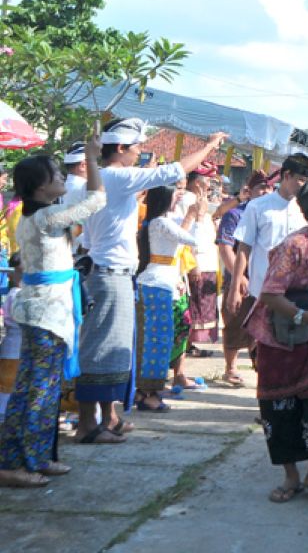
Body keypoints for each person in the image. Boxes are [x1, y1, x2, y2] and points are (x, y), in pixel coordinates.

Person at [75, 118, 226, 444]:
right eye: (137, 148)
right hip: (110, 274)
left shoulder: (106, 179)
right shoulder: (115, 176)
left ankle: (109, 417)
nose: (140, 153)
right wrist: (211, 145)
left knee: (114, 351)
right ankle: (88, 424)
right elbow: (173, 171)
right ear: (119, 149)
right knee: (100, 351)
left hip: (113, 273)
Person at [0, 132, 106, 487]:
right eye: (56, 174)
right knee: (40, 391)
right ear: (39, 187)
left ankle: (31, 458)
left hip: (40, 310)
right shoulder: (47, 218)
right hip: (47, 314)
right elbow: (96, 200)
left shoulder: (36, 217)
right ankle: (24, 462)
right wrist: (92, 158)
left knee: (32, 388)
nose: (62, 177)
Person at [245, 173, 308, 504]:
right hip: (277, 341)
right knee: (279, 410)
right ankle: (291, 478)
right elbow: (271, 294)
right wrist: (305, 316)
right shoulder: (295, 246)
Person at [229, 154, 308, 363]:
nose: (303, 185)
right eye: (301, 179)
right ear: (287, 175)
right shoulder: (258, 206)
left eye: (307, 181)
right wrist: (234, 287)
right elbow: (244, 247)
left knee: (292, 350)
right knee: (262, 348)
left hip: (296, 293)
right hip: (262, 291)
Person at [133, 184, 203, 412]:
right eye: (175, 195)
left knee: (160, 340)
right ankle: (147, 392)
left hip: (162, 283)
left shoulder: (158, 223)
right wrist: (195, 216)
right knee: (156, 341)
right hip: (157, 284)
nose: (178, 198)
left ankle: (149, 390)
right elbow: (192, 240)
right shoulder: (160, 223)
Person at [215, 170, 269, 386]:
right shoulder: (234, 214)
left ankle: (261, 370)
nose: (265, 192)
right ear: (250, 190)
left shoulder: (270, 213)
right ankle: (231, 368)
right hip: (240, 279)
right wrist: (239, 280)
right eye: (261, 188)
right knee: (235, 323)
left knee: (262, 329)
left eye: (268, 187)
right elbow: (226, 248)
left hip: (264, 280)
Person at [184, 167, 221, 357]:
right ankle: (189, 344)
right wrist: (193, 263)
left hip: (208, 259)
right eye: (208, 180)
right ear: (198, 182)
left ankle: (193, 344)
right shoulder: (186, 200)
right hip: (197, 260)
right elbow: (187, 234)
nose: (211, 184)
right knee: (195, 304)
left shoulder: (202, 201)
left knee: (204, 304)